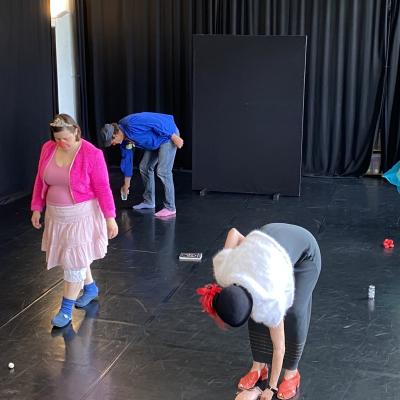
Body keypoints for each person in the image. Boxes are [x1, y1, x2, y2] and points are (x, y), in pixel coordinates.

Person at [197, 223, 321, 400]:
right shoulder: (226, 271)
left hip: (306, 254)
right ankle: (259, 366)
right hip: (271, 245)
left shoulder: (272, 297)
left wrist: (271, 388)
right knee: (255, 314)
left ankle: (292, 374)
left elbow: (279, 347)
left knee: (293, 311)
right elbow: (234, 233)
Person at [31, 114, 118, 328]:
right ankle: (90, 288)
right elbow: (40, 180)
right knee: (75, 257)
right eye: (57, 139)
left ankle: (66, 310)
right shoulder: (48, 148)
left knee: (74, 261)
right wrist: (36, 208)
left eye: (66, 138)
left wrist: (110, 218)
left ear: (76, 132)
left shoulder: (92, 153)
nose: (62, 143)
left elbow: (103, 187)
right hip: (56, 216)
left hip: (81, 215)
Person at [99, 112, 184, 217]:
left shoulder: (130, 123)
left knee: (163, 171)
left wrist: (173, 136)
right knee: (144, 167)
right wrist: (126, 185)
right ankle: (149, 201)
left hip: (167, 135)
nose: (113, 144)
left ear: (115, 135)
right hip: (155, 142)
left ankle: (170, 207)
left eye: (112, 142)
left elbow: (155, 121)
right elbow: (127, 161)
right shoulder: (125, 142)